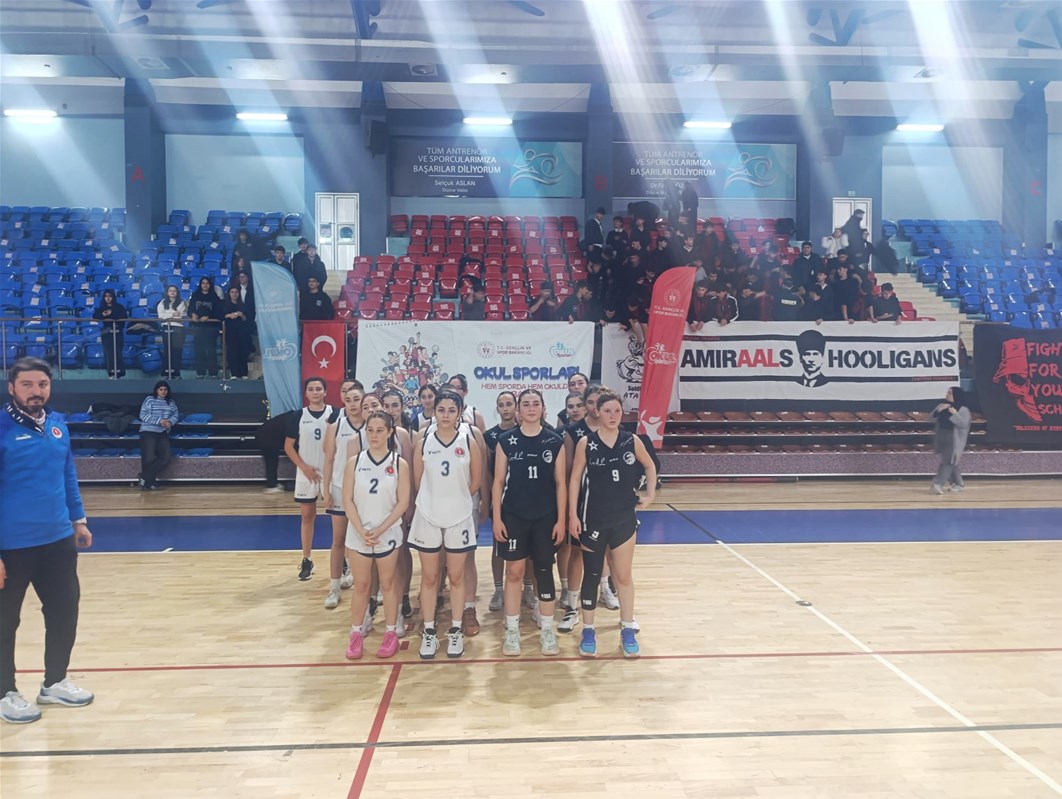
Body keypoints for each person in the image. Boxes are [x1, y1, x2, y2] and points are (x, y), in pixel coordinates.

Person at [1, 358, 94, 724]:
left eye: (42, 384)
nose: (36, 391)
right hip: (11, 545)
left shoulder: (57, 424)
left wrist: (78, 520)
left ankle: (54, 682)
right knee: (5, 621)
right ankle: (5, 692)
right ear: (11, 388)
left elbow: (67, 473)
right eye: (27, 384)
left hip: (57, 540)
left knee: (64, 611)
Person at [568, 388, 656, 658]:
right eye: (607, 411)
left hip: (623, 518)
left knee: (623, 575)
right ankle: (588, 630)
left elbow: (650, 465)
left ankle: (627, 628)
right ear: (597, 412)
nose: (613, 415)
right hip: (593, 518)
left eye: (617, 411)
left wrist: (650, 495)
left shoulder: (632, 441)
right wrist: (572, 515)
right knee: (592, 574)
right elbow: (575, 479)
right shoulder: (586, 442)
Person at [409, 390, 482, 659]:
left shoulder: (469, 441)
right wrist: (434, 501)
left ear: (459, 412)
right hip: (428, 515)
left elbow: (475, 481)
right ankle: (429, 631)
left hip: (459, 517)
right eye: (441, 410)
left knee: (457, 577)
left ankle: (455, 630)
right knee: (430, 577)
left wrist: (457, 500)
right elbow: (418, 481)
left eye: (452, 410)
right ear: (434, 411)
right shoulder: (422, 441)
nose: (446, 415)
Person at [493, 389, 567, 657]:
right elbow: (498, 482)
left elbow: (561, 484)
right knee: (514, 572)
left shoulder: (554, 440)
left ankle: (547, 629)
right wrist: (497, 518)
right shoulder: (506, 440)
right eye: (526, 404)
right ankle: (512, 630)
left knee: (544, 571)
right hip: (514, 515)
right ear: (519, 410)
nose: (531, 408)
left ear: (543, 409)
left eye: (536, 403)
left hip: (546, 517)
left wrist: (561, 520)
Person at [342, 410, 411, 660]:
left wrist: (381, 529)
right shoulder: (355, 462)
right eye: (370, 430)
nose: (374, 435)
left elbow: (403, 502)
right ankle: (356, 633)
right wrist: (361, 529)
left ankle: (390, 632)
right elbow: (347, 500)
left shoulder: (399, 464)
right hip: (359, 532)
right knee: (361, 585)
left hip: (387, 532)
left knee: (388, 583)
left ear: (390, 432)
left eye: (380, 430)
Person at [283, 377, 337, 581]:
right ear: (306, 393)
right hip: (306, 472)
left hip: (330, 472)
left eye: (318, 389)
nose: (315, 392)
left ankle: (342, 560)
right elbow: (288, 446)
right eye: (311, 389)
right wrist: (304, 467)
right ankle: (307, 559)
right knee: (307, 516)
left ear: (325, 391)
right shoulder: (298, 415)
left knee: (337, 518)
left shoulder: (335, 413)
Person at [320, 380, 364, 609]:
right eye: (348, 400)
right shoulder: (336, 426)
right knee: (338, 540)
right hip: (339, 487)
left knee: (365, 540)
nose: (353, 404)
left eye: (357, 399)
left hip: (364, 492)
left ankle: (369, 587)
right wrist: (325, 488)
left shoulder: (373, 425)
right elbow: (328, 459)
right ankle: (334, 587)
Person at [484, 391, 519, 613]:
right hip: (500, 499)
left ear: (515, 406)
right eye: (501, 405)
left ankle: (527, 588)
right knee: (498, 546)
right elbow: (488, 473)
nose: (505, 408)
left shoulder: (525, 431)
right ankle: (498, 589)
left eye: (509, 404)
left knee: (526, 549)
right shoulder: (490, 436)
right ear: (497, 409)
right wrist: (490, 499)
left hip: (521, 498)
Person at [138, 380, 178, 491]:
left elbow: (175, 415)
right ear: (156, 390)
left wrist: (170, 422)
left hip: (162, 432)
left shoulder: (171, 402)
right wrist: (159, 421)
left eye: (165, 389)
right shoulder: (150, 400)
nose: (163, 392)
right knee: (148, 458)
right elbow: (143, 415)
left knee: (166, 457)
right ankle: (148, 483)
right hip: (148, 431)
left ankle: (144, 478)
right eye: (161, 389)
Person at [931, 387, 971, 495]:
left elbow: (963, 424)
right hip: (941, 436)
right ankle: (958, 483)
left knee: (948, 461)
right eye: (947, 393)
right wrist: (939, 411)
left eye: (949, 393)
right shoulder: (942, 405)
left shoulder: (963, 409)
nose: (947, 395)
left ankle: (937, 484)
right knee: (951, 461)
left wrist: (955, 413)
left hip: (953, 438)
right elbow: (931, 417)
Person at [189, 276, 222, 378]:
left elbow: (218, 312)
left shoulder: (214, 297)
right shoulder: (195, 296)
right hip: (198, 327)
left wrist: (208, 317)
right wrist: (192, 314)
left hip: (211, 327)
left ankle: (213, 373)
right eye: (203, 283)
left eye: (207, 283)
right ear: (200, 284)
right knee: (199, 350)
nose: (205, 285)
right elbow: (190, 309)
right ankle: (200, 373)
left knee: (211, 350)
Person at [92, 288, 127, 379]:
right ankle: (111, 373)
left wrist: (111, 313)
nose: (108, 298)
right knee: (108, 353)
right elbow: (95, 316)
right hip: (107, 332)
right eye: (106, 296)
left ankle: (119, 373)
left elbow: (123, 316)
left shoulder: (119, 307)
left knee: (118, 352)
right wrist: (104, 315)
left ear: (113, 297)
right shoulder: (101, 307)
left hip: (118, 331)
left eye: (110, 296)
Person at [222, 285, 253, 379]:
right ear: (229, 294)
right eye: (232, 292)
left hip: (242, 331)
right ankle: (234, 373)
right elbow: (221, 316)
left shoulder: (243, 305)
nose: (234, 294)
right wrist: (229, 315)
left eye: (236, 292)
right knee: (232, 351)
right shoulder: (225, 305)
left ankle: (244, 373)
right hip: (230, 331)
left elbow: (247, 319)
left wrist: (241, 315)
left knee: (243, 351)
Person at [156, 285, 186, 380]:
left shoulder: (181, 302)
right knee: (167, 351)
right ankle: (165, 373)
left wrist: (167, 315)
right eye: (170, 290)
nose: (172, 292)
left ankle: (176, 373)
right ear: (167, 292)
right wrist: (173, 314)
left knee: (177, 351)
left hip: (178, 328)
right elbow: (161, 316)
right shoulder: (162, 303)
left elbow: (180, 316)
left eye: (174, 291)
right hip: (166, 327)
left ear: (177, 293)